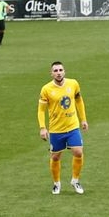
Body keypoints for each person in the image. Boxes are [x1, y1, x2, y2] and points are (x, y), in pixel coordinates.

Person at [37, 61, 88, 195]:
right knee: (55, 157)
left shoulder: (73, 84)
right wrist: (42, 128)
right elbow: (41, 110)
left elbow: (79, 100)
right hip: (56, 129)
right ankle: (56, 183)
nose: (58, 73)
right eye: (56, 71)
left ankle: (75, 180)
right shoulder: (46, 89)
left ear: (64, 71)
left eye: (60, 70)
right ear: (51, 73)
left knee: (78, 152)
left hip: (72, 126)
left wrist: (83, 119)